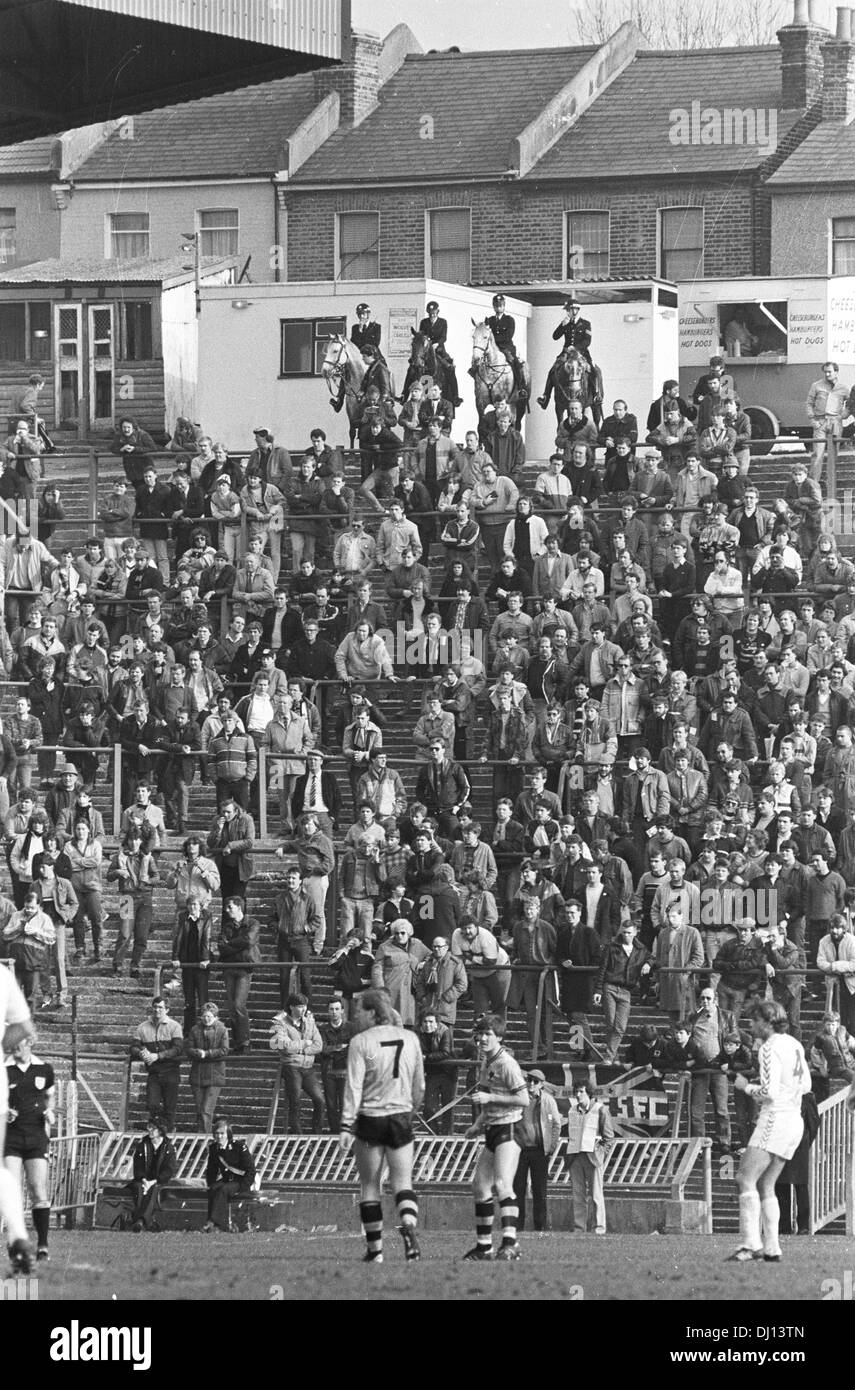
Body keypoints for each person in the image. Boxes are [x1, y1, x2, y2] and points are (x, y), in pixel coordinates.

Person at [339, 988, 425, 1263]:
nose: (355, 1015)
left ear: (373, 1012)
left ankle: (375, 1251)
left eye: (359, 1010)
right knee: (403, 1182)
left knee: (370, 1185)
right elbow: (419, 1084)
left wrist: (345, 1125)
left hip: (370, 1118)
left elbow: (353, 1087)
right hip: (401, 1116)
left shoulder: (361, 1041)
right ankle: (409, 1228)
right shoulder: (410, 1038)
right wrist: (410, 1110)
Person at [729, 1000, 811, 1263]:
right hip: (794, 1120)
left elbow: (770, 1092)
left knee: (745, 1177)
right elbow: (807, 1083)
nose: (751, 1026)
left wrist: (745, 1087)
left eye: (754, 1021)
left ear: (766, 1022)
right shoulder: (794, 1043)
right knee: (766, 1184)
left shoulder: (768, 1047)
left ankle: (751, 1244)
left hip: (775, 1117)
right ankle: (772, 1247)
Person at [462, 1012, 529, 1262]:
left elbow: (524, 1100)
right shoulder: (486, 1062)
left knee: (502, 1184)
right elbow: (488, 1098)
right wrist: (478, 1124)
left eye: (488, 1034)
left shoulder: (506, 1064)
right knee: (480, 1186)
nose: (482, 1038)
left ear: (499, 1036)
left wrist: (490, 1099)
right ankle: (484, 1247)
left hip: (510, 1127)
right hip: (492, 1128)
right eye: (479, 1034)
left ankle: (511, 1243)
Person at [3, 1033, 55, 1260]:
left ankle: (42, 1246)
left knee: (37, 1188)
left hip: (35, 1136)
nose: (14, 1048)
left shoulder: (44, 1069)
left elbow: (48, 1098)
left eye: (18, 1045)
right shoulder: (4, 1070)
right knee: (12, 1192)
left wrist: (49, 1111)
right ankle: (14, 1245)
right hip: (11, 1137)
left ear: (30, 1043)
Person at [512, 1069, 562, 1233]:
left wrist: (550, 1147)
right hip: (520, 1150)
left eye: (535, 1081)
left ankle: (540, 1227)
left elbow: (556, 1124)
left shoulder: (548, 1100)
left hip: (540, 1150)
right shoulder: (519, 1098)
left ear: (541, 1084)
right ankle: (517, 1227)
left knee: (540, 1191)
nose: (531, 1084)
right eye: (529, 1080)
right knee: (517, 1189)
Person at [269, 992, 325, 1135]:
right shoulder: (280, 1022)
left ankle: (316, 1136)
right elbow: (284, 1046)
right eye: (300, 1007)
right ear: (291, 1007)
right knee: (295, 1102)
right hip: (292, 1066)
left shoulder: (310, 1021)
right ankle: (298, 1138)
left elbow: (319, 1045)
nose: (303, 1010)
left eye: (304, 1006)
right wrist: (305, 1043)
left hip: (308, 1067)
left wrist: (300, 1050)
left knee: (320, 1100)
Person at [564, 1077, 614, 1235]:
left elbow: (609, 1137)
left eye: (581, 1091)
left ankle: (599, 1228)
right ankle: (579, 1228)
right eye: (576, 1092)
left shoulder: (600, 1109)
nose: (578, 1095)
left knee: (596, 1195)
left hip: (592, 1157)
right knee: (578, 1195)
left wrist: (600, 1153)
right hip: (575, 1157)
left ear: (589, 1093)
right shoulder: (572, 1110)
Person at [130, 997, 184, 1132]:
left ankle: (169, 1130)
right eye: (155, 1007)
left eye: (161, 1007)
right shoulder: (142, 1027)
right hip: (154, 1072)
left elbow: (177, 1049)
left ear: (167, 1010)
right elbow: (133, 1047)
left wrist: (158, 1056)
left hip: (171, 1070)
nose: (157, 1010)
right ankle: (158, 1128)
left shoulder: (175, 1026)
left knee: (169, 1106)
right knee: (152, 1104)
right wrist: (142, 1052)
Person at [218, 897, 261, 1055]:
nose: (227, 910)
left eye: (230, 907)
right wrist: (237, 946)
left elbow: (249, 941)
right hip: (229, 967)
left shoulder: (253, 923)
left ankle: (245, 1041)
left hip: (244, 967)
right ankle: (237, 1042)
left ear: (239, 907)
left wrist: (231, 944)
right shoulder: (227, 926)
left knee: (238, 1004)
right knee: (231, 1006)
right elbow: (221, 946)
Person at [204, 1115, 257, 1233]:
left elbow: (250, 1170)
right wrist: (210, 1183)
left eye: (222, 1133)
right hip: (228, 1179)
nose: (219, 1136)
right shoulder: (214, 1148)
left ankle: (213, 1222)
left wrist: (243, 1187)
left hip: (240, 1180)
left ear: (228, 1134)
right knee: (214, 1188)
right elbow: (212, 1168)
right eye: (217, 1133)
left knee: (224, 1190)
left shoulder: (239, 1147)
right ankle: (212, 1223)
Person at [127, 1114, 178, 1232]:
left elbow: (168, 1170)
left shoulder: (168, 1148)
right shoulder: (142, 1145)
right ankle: (146, 1222)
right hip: (143, 1180)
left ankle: (140, 1221)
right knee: (139, 1188)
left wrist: (154, 1181)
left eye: (153, 1128)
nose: (149, 1130)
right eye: (148, 1127)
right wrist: (144, 1180)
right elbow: (138, 1167)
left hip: (159, 1182)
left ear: (160, 1130)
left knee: (154, 1189)